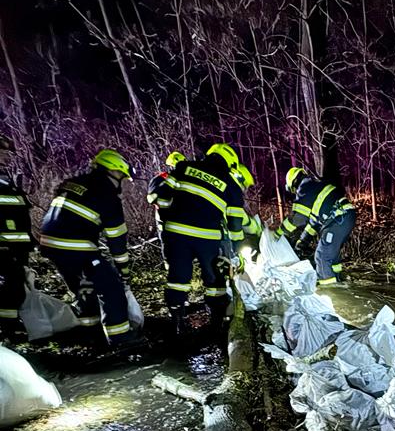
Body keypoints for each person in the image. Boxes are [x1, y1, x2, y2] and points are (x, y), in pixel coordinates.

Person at [39, 149, 136, 346]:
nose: (121, 182)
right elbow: (117, 239)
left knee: (84, 288)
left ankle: (91, 333)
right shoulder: (107, 194)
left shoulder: (74, 183)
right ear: (114, 171)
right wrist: (123, 270)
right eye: (122, 176)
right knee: (112, 289)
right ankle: (121, 339)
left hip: (50, 244)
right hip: (75, 246)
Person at [158, 142, 249, 333]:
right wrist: (237, 252)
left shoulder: (184, 167)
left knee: (178, 278)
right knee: (214, 279)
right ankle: (217, 323)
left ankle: (178, 323)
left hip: (177, 234)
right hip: (207, 238)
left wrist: (167, 219)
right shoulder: (231, 185)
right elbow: (235, 226)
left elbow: (162, 196)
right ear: (230, 163)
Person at [277, 167, 355, 286]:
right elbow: (314, 223)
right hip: (343, 218)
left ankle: (331, 291)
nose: (295, 192)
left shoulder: (305, 186)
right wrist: (302, 242)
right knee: (332, 257)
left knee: (322, 256)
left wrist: (278, 233)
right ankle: (338, 281)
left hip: (338, 219)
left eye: (293, 190)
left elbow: (298, 219)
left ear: (294, 183)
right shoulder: (314, 188)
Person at [0, 135, 33, 341]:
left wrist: (28, 242)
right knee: (9, 286)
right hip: (5, 246)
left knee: (15, 285)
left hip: (16, 246)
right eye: (3, 152)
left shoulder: (6, 178)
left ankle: (11, 324)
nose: (7, 156)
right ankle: (8, 328)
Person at [147, 150, 186, 261]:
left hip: (181, 218)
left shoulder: (185, 180)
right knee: (168, 245)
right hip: (164, 218)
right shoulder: (160, 179)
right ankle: (169, 264)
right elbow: (151, 198)